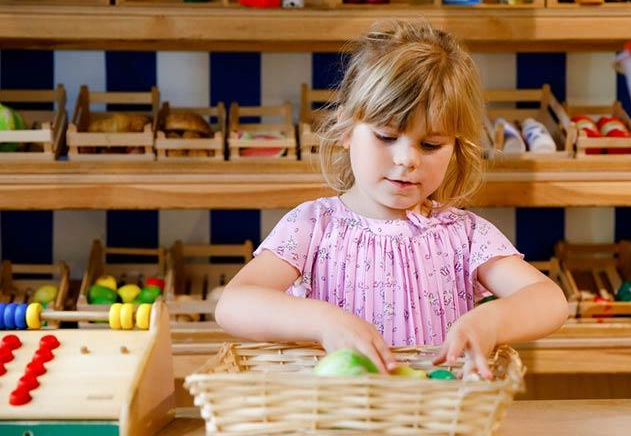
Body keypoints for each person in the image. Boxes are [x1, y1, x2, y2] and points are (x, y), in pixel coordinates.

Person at [216, 20, 568, 379]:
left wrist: (491, 321)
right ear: (347, 131)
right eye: (386, 136)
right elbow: (234, 304)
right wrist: (324, 321)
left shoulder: (466, 235)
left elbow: (550, 300)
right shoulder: (313, 227)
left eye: (430, 145)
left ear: (456, 148)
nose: (407, 159)